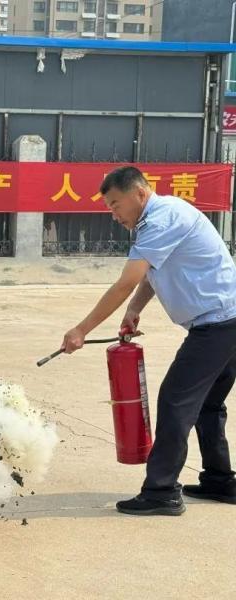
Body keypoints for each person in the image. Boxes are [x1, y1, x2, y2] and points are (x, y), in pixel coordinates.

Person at [60, 165, 236, 516]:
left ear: (139, 193)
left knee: (175, 401)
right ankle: (220, 480)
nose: (113, 214)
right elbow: (152, 273)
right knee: (207, 403)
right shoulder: (159, 218)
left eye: (115, 204)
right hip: (226, 321)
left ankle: (162, 491)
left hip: (217, 325)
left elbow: (126, 282)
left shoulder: (160, 220)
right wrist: (133, 310)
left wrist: (81, 330)